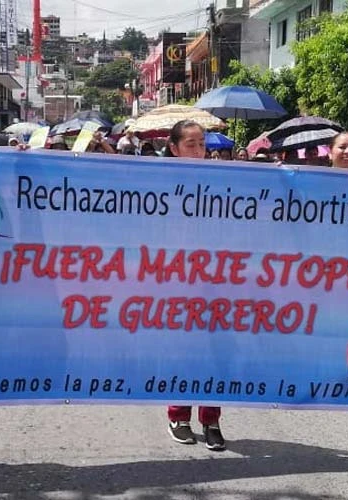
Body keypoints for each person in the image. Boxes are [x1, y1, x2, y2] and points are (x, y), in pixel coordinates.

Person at [161, 119, 226, 451]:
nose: (198, 150)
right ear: (174, 148)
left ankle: (211, 419)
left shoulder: (224, 182)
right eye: (190, 143)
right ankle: (179, 415)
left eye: (202, 143)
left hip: (215, 280)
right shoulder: (157, 183)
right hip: (175, 281)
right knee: (183, 350)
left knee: (214, 351)